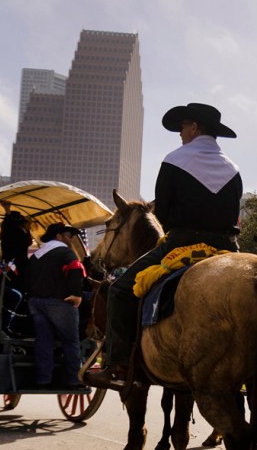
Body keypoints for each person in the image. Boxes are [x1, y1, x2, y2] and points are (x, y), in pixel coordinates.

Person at [87, 102, 242, 388]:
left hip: (182, 242)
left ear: (195, 127)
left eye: (183, 126)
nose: (180, 133)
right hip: (228, 247)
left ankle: (118, 367)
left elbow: (164, 213)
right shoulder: (233, 169)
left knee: (120, 291)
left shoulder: (175, 160)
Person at [26, 223, 86, 389]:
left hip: (36, 303)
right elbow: (75, 270)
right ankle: (74, 379)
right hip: (59, 303)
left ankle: (43, 380)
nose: (71, 239)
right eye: (69, 236)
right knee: (71, 342)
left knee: (43, 341)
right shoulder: (66, 252)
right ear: (59, 236)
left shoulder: (36, 255)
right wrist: (77, 295)